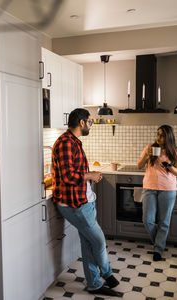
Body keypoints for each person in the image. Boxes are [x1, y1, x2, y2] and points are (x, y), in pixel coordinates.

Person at [52, 108, 120, 297]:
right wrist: (90, 175)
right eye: (90, 122)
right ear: (82, 122)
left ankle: (93, 284)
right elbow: (68, 176)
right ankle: (107, 274)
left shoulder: (73, 141)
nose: (90, 125)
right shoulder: (66, 143)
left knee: (88, 243)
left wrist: (89, 177)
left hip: (82, 200)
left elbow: (75, 172)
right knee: (98, 240)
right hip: (75, 204)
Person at [137, 125, 177, 261]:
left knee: (164, 222)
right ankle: (158, 240)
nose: (158, 137)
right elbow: (139, 165)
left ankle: (158, 249)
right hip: (149, 187)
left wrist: (168, 165)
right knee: (147, 220)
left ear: (168, 137)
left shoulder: (173, 151)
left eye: (161, 135)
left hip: (168, 189)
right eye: (157, 134)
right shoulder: (150, 148)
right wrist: (146, 155)